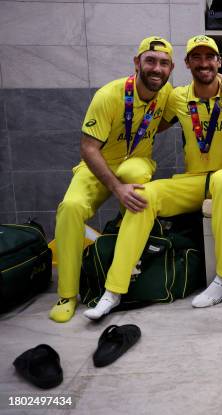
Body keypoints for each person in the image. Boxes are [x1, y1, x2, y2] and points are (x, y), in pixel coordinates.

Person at [81, 35, 222, 319]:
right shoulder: (178, 97)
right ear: (186, 64)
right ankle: (113, 290)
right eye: (197, 57)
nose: (204, 63)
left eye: (210, 57)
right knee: (143, 196)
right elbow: (151, 122)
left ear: (219, 62)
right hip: (193, 179)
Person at [50, 37, 174, 323]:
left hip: (135, 163)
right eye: (151, 61)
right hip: (98, 164)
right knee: (70, 208)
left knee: (134, 173)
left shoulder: (167, 94)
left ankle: (125, 234)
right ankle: (67, 294)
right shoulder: (109, 95)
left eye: (164, 63)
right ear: (137, 63)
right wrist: (115, 188)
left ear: (171, 68)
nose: (157, 68)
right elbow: (88, 148)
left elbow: (172, 116)